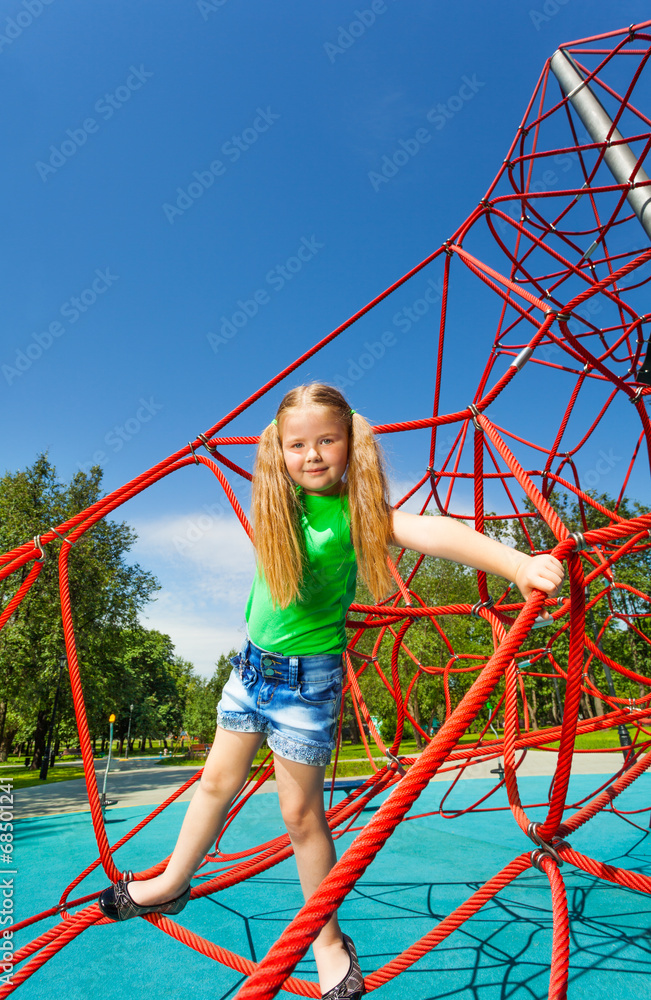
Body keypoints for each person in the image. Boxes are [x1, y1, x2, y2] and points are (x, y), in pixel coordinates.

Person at [98, 383, 564, 999]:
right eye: (298, 445)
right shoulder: (277, 502)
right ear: (280, 451)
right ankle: (172, 881)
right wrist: (272, 447)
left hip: (306, 686)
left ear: (350, 445)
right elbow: (274, 462)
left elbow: (433, 531)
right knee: (215, 783)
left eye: (326, 441)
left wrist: (515, 564)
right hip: (250, 672)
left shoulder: (357, 514)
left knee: (300, 815)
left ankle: (325, 939)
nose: (312, 455)